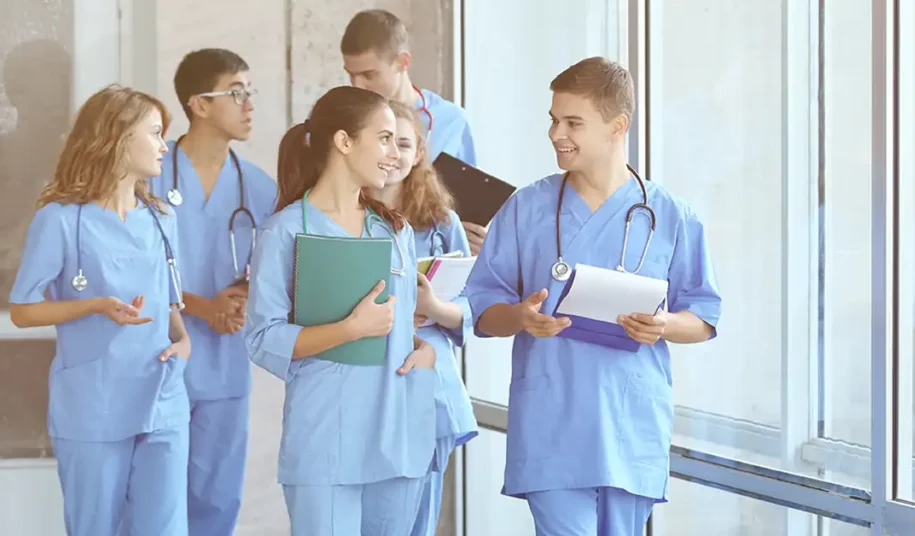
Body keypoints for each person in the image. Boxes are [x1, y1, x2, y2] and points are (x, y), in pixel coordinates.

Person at [464, 57, 722, 535]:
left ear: (617, 126)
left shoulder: (670, 214)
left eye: (573, 122)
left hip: (630, 426)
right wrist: (520, 316)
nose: (556, 133)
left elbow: (704, 315)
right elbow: (482, 308)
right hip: (552, 423)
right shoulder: (527, 207)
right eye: (553, 119)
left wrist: (663, 325)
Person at [244, 85, 438, 535]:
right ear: (344, 141)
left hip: (399, 430)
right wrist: (349, 329)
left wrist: (423, 349)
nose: (396, 153)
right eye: (384, 138)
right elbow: (262, 338)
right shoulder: (285, 232)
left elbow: (401, 324)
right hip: (327, 435)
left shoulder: (394, 231)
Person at [8, 85, 191, 535]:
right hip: (95, 403)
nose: (165, 145)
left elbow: (169, 300)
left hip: (162, 396)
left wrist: (183, 339)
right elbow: (23, 310)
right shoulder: (60, 219)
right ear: (118, 137)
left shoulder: (162, 218)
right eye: (154, 133)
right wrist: (92, 305)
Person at [148, 48, 277, 536]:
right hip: (158, 359)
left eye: (251, 93)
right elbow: (128, 269)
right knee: (154, 503)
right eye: (236, 92)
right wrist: (203, 306)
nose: (249, 104)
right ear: (199, 103)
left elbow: (276, 267)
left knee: (216, 500)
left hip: (224, 366)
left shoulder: (258, 188)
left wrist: (240, 296)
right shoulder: (151, 174)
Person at [367, 102, 479, 536]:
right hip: (370, 381)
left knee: (418, 522)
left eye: (404, 143)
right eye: (383, 140)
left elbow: (470, 307)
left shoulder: (442, 222)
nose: (393, 152)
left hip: (431, 389)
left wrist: (433, 307)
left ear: (419, 154)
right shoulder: (343, 217)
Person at [340, 9, 488, 255]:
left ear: (402, 62)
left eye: (368, 75)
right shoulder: (339, 118)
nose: (357, 85)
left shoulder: (452, 122)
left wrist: (463, 235)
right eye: (351, 74)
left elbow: (467, 206)